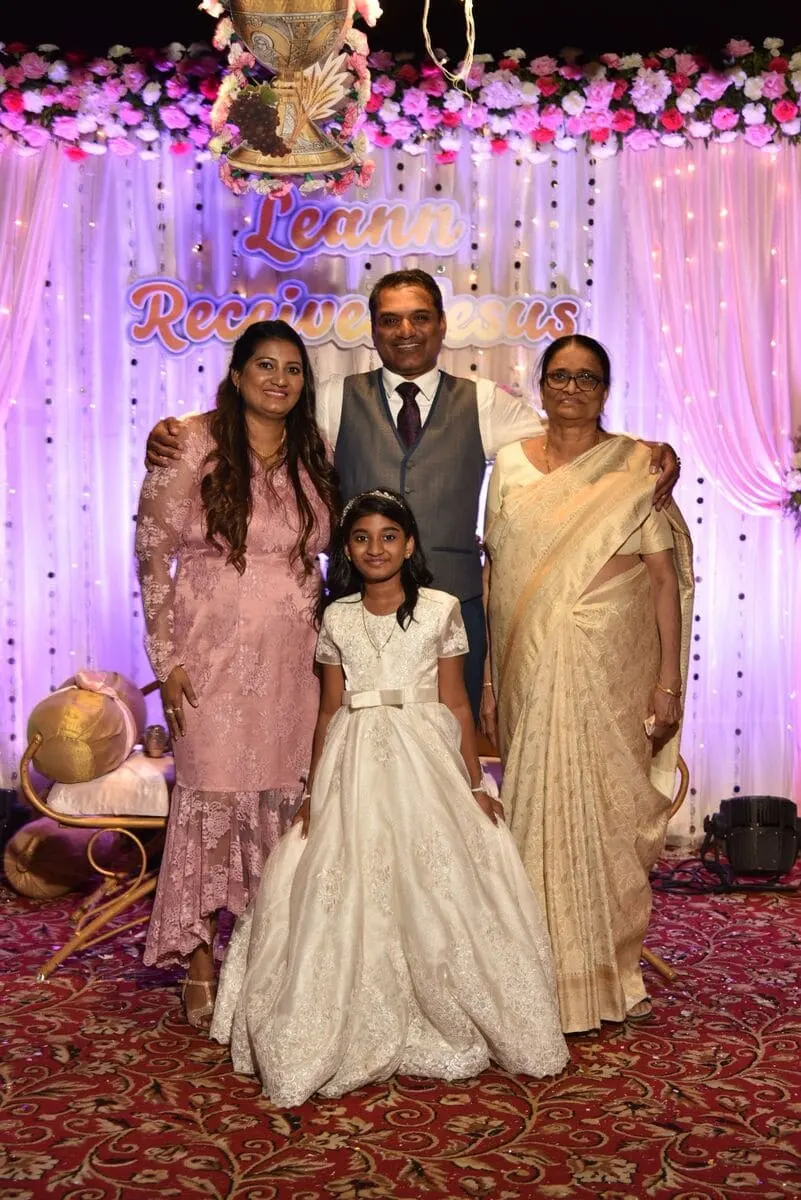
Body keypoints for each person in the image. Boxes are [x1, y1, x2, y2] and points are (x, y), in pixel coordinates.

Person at [145, 270, 680, 722]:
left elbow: (569, 434)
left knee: (451, 759)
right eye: (391, 320)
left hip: (456, 618)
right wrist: (182, 430)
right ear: (373, 329)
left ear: (441, 325)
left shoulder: (485, 403)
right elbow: (264, 416)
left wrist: (646, 450)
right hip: (357, 617)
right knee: (362, 762)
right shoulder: (333, 399)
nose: (406, 331)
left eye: (420, 317)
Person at [209, 489, 569, 1105]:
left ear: (408, 545)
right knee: (342, 873)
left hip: (424, 754)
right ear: (347, 550)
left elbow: (456, 703)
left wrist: (473, 783)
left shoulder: (440, 608)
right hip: (354, 758)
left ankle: (452, 1007)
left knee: (439, 874)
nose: (375, 548)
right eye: (361, 538)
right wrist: (314, 790)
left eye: (388, 536)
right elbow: (329, 711)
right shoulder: (338, 617)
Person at [480, 335, 694, 1034]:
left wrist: (668, 684)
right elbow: (496, 572)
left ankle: (611, 978)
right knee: (535, 805)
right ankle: (535, 979)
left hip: (612, 664)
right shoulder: (510, 463)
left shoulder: (636, 464)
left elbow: (661, 580)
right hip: (530, 661)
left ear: (605, 389)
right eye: (560, 376)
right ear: (541, 385)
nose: (572, 388)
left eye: (587, 378)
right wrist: (490, 677)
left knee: (606, 814)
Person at [135, 319, 339, 1027]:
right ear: (237, 374)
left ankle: (262, 959)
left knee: (282, 801)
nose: (279, 380)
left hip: (293, 664)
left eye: (292, 369)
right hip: (210, 659)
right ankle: (199, 964)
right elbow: (151, 554)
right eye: (265, 366)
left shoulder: (315, 450)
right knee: (211, 801)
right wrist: (166, 660)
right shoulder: (190, 442)